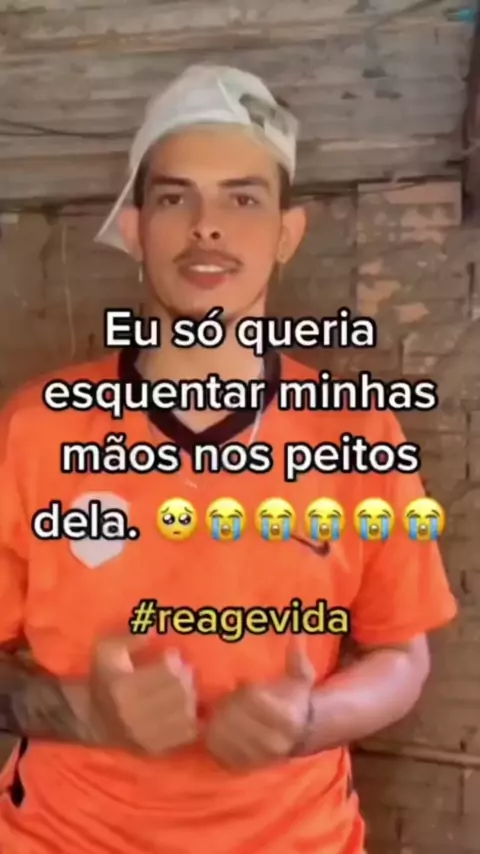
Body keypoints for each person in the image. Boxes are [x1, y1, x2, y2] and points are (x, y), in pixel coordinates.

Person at [0, 64, 457, 854]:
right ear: (137, 229)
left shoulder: (358, 434)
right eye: (175, 198)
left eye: (243, 199)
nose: (207, 226)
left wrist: (312, 719)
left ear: (287, 235)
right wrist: (86, 712)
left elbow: (402, 655)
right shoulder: (36, 428)